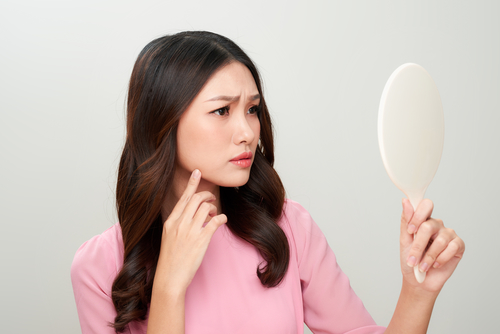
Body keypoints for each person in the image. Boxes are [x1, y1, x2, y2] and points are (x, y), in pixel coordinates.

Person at [71, 31, 465, 334]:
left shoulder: (290, 228)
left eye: (253, 109)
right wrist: (169, 289)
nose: (247, 132)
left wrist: (419, 291)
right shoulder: (98, 266)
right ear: (163, 122)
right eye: (222, 110)